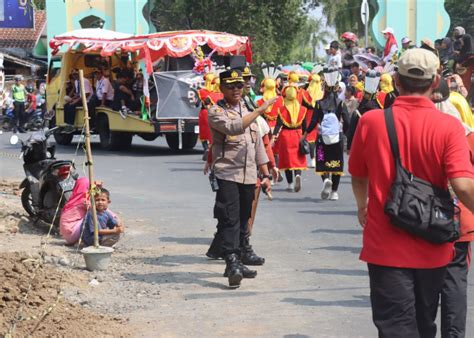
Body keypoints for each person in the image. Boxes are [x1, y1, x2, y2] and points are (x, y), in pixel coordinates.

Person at [349, 48, 474, 337]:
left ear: (396, 80)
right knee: (424, 323)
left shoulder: (371, 122)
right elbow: (463, 185)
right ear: (435, 82)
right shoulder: (449, 127)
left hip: (385, 244)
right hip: (433, 244)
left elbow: (358, 175)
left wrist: (361, 205)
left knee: (395, 326)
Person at [207, 69, 274, 288]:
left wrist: (265, 174)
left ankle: (238, 257)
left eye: (239, 86)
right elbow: (234, 127)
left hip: (249, 174)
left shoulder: (247, 109)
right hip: (228, 172)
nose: (236, 90)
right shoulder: (216, 111)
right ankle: (232, 261)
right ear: (222, 88)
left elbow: (257, 146)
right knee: (230, 218)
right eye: (231, 86)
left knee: (244, 216)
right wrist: (261, 110)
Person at [304, 68, 349, 201]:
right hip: (337, 138)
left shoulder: (318, 103)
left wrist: (305, 134)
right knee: (336, 164)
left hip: (322, 138)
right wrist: (347, 136)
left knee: (322, 161)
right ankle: (334, 192)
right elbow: (347, 121)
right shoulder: (341, 104)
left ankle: (325, 180)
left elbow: (313, 121)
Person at [272, 84, 309, 192]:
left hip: (285, 136)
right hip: (298, 134)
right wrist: (305, 136)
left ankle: (290, 184)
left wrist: (273, 137)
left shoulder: (282, 110)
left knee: (287, 160)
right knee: (297, 157)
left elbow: (278, 125)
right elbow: (305, 126)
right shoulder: (303, 109)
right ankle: (298, 175)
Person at [303, 74, 324, 167]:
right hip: (320, 118)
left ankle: (313, 159)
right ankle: (320, 158)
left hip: (309, 117)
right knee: (319, 139)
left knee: (311, 139)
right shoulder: (323, 94)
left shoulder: (305, 94)